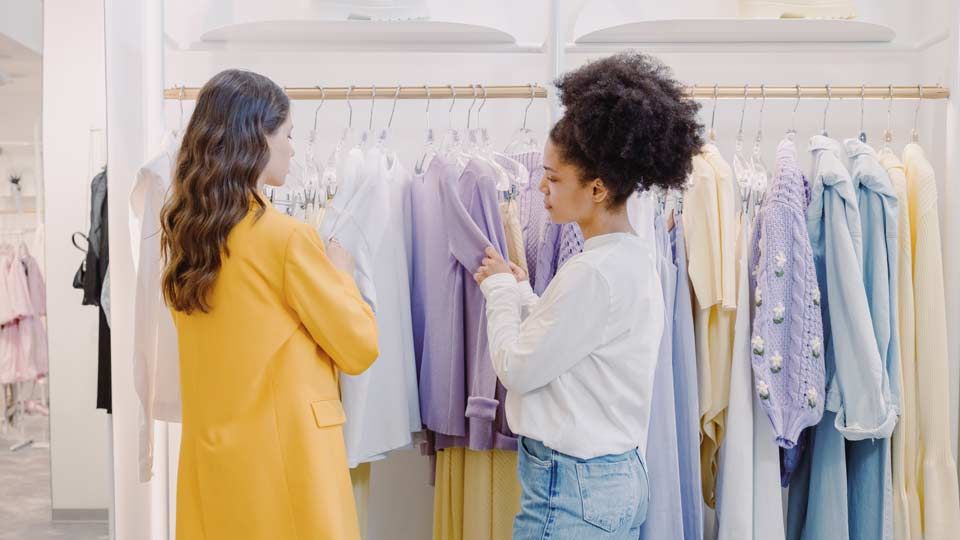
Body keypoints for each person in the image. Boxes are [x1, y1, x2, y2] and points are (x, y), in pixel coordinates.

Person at [474, 53, 703, 539]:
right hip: (615, 478)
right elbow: (575, 347)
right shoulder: (633, 260)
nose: (540, 187)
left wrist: (497, 291)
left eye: (554, 178)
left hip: (569, 489)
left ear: (597, 188)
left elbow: (516, 366)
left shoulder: (592, 273)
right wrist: (521, 293)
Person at [160, 69, 379, 540]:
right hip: (287, 466)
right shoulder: (286, 238)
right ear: (257, 137)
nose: (293, 148)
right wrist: (341, 271)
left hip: (214, 462)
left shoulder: (186, 238)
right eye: (288, 134)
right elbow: (359, 347)